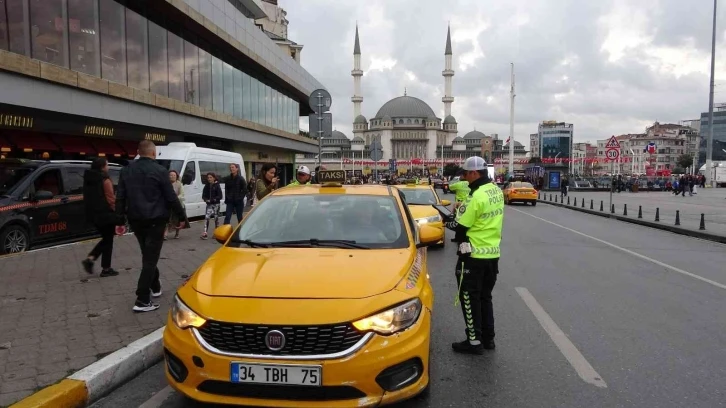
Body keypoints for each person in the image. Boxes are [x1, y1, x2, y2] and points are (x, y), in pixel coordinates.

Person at [116, 140, 187, 313]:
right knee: (150, 258)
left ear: (138, 152)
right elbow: (171, 197)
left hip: (136, 219)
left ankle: (155, 287)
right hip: (156, 219)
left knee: (147, 254)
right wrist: (182, 217)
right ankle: (142, 299)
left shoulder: (126, 171)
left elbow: (120, 197)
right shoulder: (160, 171)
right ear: (154, 153)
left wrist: (119, 221)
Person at [444, 156, 504, 354]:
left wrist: (447, 221)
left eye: (465, 173)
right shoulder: (496, 191)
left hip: (473, 256)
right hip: (492, 255)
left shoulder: (477, 196)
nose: (464, 177)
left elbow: (462, 228)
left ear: (474, 173)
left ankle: (474, 341)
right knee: (485, 297)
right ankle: (489, 339)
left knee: (469, 298)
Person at [81, 157, 120, 277]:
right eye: (107, 165)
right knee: (108, 239)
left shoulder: (88, 179)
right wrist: (118, 213)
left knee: (107, 239)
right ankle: (103, 267)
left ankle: (93, 260)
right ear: (102, 167)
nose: (108, 167)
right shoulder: (105, 180)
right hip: (105, 214)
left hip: (93, 214)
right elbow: (111, 199)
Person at [201, 173, 223, 239]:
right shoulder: (206, 186)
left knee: (216, 219)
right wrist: (205, 199)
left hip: (216, 204)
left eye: (210, 177)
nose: (209, 179)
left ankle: (216, 233)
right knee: (207, 218)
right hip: (209, 205)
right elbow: (203, 195)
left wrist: (213, 200)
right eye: (208, 178)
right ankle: (205, 233)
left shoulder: (217, 186)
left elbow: (220, 196)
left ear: (214, 178)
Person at [165, 170, 185, 240]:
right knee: (167, 220)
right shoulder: (166, 184)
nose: (172, 177)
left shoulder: (179, 184)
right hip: (168, 205)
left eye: (174, 175)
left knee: (178, 220)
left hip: (178, 205)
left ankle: (177, 233)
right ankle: (165, 234)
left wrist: (175, 198)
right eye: (171, 175)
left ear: (176, 176)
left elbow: (182, 194)